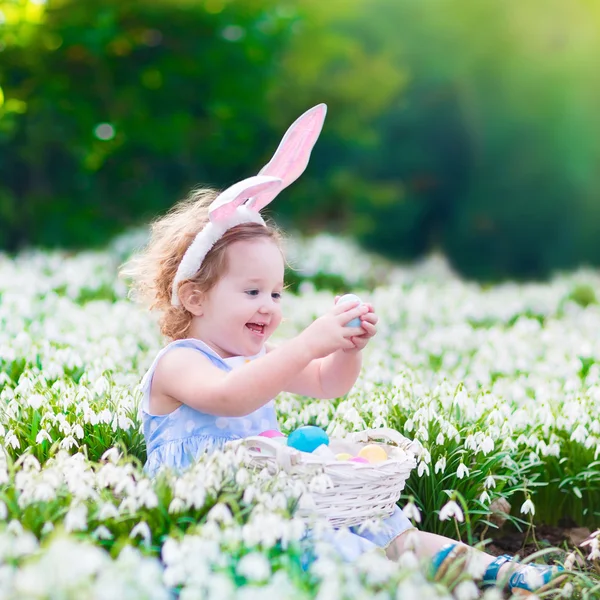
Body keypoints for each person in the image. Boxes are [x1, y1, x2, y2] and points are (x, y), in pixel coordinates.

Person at [122, 104, 565, 596]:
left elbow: (326, 385)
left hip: (283, 502)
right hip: (217, 520)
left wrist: (345, 349)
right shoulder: (180, 363)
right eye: (251, 292)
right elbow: (232, 398)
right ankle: (413, 583)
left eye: (275, 293)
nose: (268, 307)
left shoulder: (258, 361)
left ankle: (512, 575)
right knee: (340, 554)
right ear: (194, 297)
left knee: (393, 532)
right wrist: (308, 342)